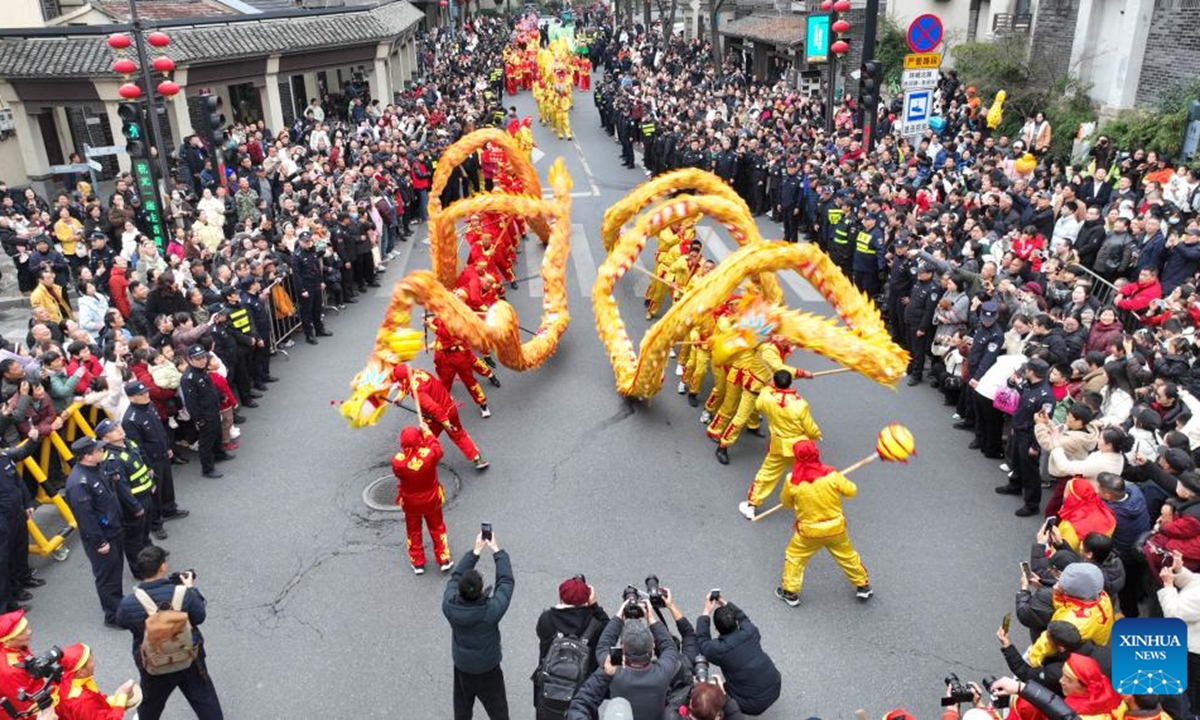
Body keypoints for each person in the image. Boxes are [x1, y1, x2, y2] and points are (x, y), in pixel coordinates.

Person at [114, 546, 224, 720]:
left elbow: (121, 622)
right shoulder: (183, 594)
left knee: (151, 704)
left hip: (153, 662)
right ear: (162, 567)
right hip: (188, 657)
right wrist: (190, 589)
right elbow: (199, 616)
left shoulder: (128, 604)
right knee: (204, 698)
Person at [775, 440, 871, 606]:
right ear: (816, 454)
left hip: (808, 532)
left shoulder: (792, 480)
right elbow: (851, 490)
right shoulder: (831, 475)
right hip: (836, 529)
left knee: (795, 557)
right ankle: (863, 585)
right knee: (847, 556)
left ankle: (790, 593)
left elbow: (786, 503)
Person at [64, 435, 139, 626]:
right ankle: (113, 616)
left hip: (113, 529)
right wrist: (100, 542)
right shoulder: (78, 483)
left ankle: (118, 606)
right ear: (87, 456)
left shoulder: (95, 469)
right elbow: (86, 518)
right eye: (98, 450)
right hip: (102, 538)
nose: (102, 451)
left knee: (115, 572)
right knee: (107, 577)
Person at [443, 531, 514, 720]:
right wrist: (496, 551)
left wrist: (475, 552)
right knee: (498, 711)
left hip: (462, 667)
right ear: (482, 590)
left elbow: (455, 576)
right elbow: (506, 583)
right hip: (488, 669)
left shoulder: (449, 606)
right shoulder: (490, 612)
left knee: (462, 710)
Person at [739, 369, 820, 520]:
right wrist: (816, 435)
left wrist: (769, 386)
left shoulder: (767, 400)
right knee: (806, 474)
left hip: (779, 445)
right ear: (791, 383)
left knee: (766, 475)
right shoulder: (800, 404)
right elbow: (810, 427)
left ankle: (751, 505)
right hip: (800, 446)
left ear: (774, 382)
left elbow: (759, 401)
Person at [533, 575, 609, 718]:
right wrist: (595, 606)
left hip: (549, 692)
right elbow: (610, 632)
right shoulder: (596, 625)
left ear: (561, 598)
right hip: (582, 696)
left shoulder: (546, 619)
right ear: (586, 600)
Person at [592, 597, 681, 719]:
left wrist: (619, 616)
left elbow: (603, 646)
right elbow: (670, 647)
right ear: (652, 647)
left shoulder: (613, 671)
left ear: (622, 649)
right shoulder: (662, 672)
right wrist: (651, 619)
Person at [122, 380, 188, 541]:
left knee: (167, 484)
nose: (146, 395)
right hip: (151, 459)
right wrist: (147, 466)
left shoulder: (149, 406)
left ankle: (169, 508)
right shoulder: (130, 419)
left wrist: (167, 446)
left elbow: (159, 429)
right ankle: (156, 524)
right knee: (154, 493)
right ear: (131, 398)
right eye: (141, 394)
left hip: (162, 453)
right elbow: (137, 446)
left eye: (145, 391)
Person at [695, 595, 781, 716]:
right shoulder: (750, 631)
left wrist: (706, 611)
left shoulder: (719, 650)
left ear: (716, 629)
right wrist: (725, 603)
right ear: (736, 622)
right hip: (776, 685)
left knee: (713, 690)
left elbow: (702, 641)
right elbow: (743, 617)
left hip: (751, 705)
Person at [392, 364, 489, 470]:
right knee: (459, 434)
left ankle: (419, 463)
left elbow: (433, 407)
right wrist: (399, 397)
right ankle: (477, 458)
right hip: (450, 407)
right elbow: (409, 385)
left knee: (424, 438)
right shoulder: (419, 372)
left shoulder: (419, 393)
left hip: (436, 418)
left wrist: (445, 423)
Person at [95, 418, 154, 575]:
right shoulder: (112, 460)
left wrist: (150, 479)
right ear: (105, 438)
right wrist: (135, 507)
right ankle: (139, 569)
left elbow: (140, 461)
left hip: (146, 496)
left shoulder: (129, 443)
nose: (119, 429)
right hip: (133, 504)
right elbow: (121, 489)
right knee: (134, 539)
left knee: (145, 531)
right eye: (113, 430)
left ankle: (151, 557)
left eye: (118, 426)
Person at [393, 422, 453, 575]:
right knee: (437, 527)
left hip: (411, 504)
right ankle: (443, 558)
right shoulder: (428, 455)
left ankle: (417, 562)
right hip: (432, 500)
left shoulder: (398, 462)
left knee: (413, 531)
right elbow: (438, 450)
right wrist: (427, 433)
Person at [0, 441, 41, 612]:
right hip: (4, 518)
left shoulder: (4, 458)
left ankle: (23, 580)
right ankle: (9, 600)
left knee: (20, 549)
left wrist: (27, 503)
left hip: (16, 512)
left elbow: (18, 481)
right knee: (5, 560)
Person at [180, 345, 230, 478]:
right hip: (204, 414)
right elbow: (191, 403)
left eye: (203, 357)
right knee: (206, 442)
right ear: (190, 360)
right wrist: (199, 420)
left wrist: (220, 396)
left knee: (217, 433)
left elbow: (210, 387)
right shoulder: (188, 378)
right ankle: (207, 469)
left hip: (213, 408)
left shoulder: (201, 370)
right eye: (197, 359)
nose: (202, 360)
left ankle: (219, 454)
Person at [56, 642, 139, 719]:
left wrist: (116, 700)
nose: (94, 664)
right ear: (81, 671)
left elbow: (96, 702)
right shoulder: (82, 701)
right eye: (91, 661)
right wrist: (122, 696)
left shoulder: (65, 679)